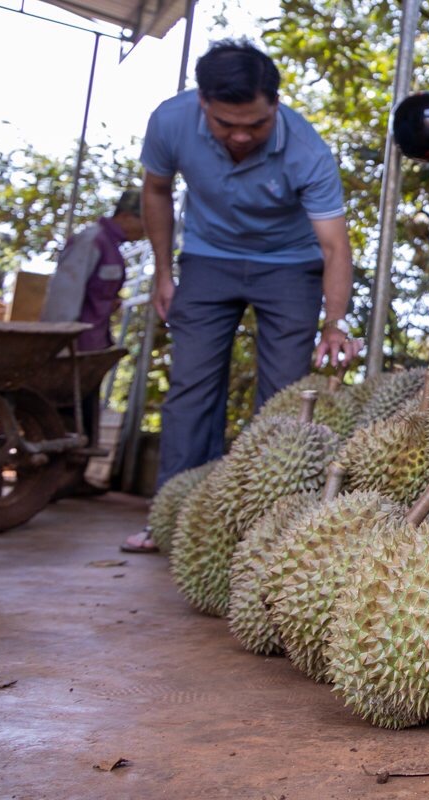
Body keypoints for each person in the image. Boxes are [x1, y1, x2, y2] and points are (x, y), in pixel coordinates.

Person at [121, 40, 361, 553]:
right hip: (207, 258)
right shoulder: (171, 122)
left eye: (255, 124)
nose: (240, 135)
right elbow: (156, 191)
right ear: (203, 103)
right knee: (191, 384)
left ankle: (264, 527)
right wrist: (164, 273)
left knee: (285, 398)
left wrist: (334, 322)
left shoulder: (307, 150)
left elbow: (335, 245)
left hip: (291, 267)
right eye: (226, 123)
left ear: (274, 104)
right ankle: (172, 518)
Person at [41, 188, 146, 445]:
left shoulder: (112, 247)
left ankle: (77, 474)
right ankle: (59, 475)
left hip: (92, 349)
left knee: (85, 412)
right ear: (126, 216)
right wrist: (60, 344)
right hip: (74, 349)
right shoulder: (91, 241)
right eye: (145, 221)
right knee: (65, 413)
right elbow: (64, 296)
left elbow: (95, 293)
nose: (146, 230)